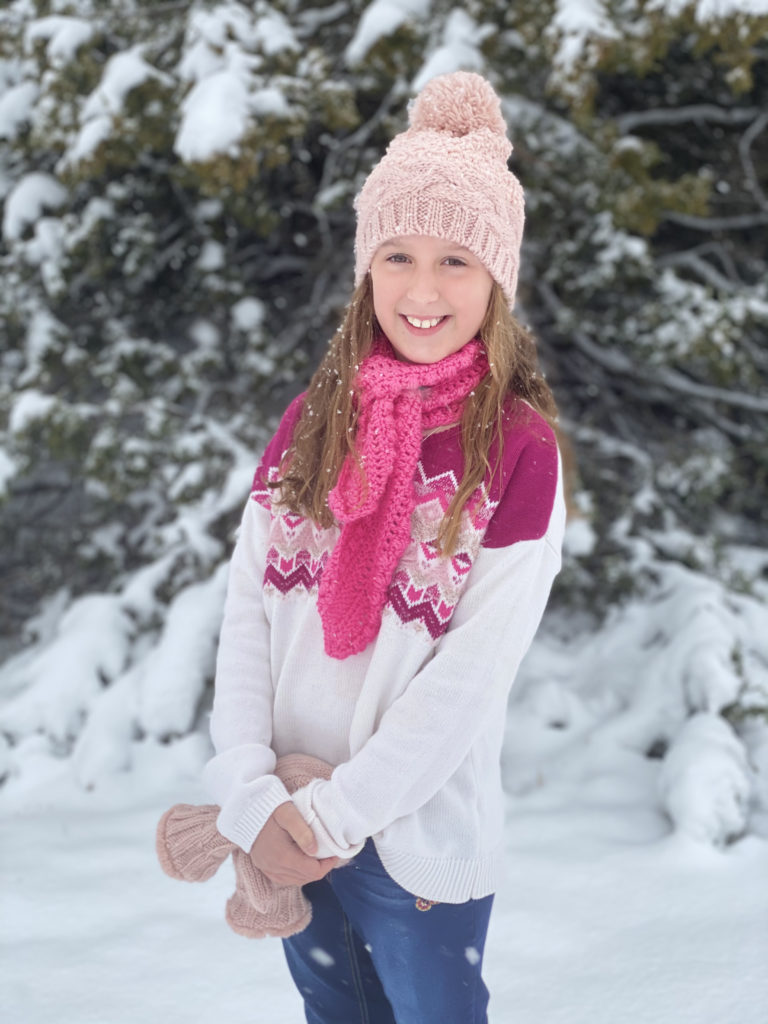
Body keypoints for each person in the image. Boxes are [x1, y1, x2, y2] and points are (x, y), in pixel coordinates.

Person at [203, 71, 566, 1024]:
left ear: (497, 279)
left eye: (457, 260)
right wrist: (248, 790)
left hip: (411, 843)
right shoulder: (311, 423)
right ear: (368, 268)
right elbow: (247, 618)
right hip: (287, 827)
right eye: (398, 255)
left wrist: (338, 813)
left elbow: (470, 679)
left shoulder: (517, 448)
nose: (423, 289)